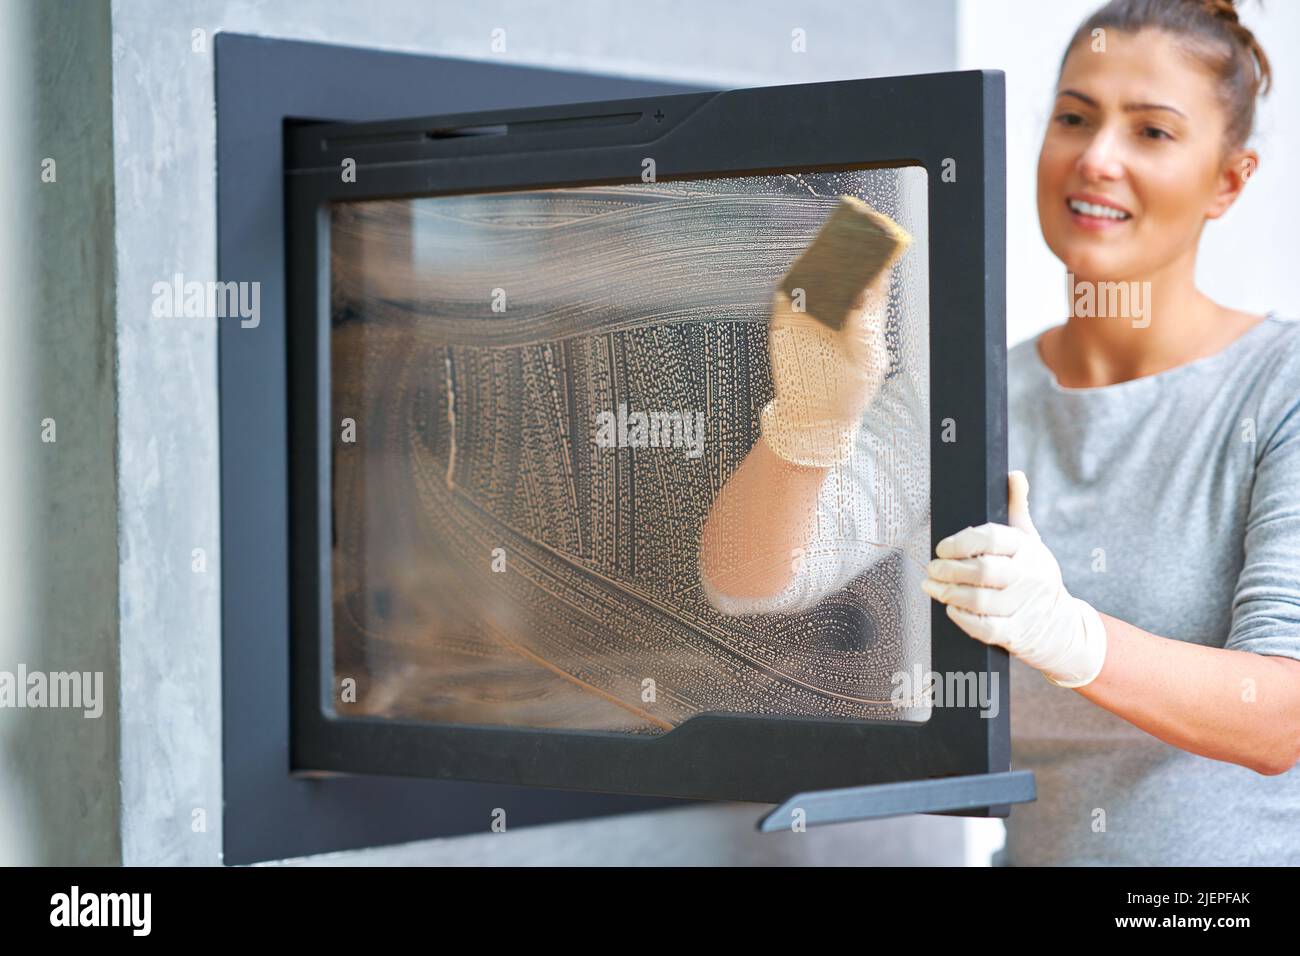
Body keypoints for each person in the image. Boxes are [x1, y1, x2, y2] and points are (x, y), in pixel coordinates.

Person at [698, 0, 1300, 865]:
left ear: (1228, 181)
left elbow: (1279, 720)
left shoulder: (1279, 388)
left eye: (1153, 133)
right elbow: (746, 583)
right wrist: (806, 422)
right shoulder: (972, 397)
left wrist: (1072, 635)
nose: (1097, 159)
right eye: (1074, 118)